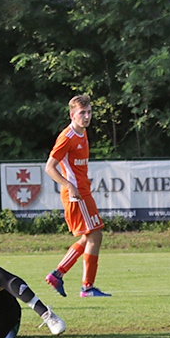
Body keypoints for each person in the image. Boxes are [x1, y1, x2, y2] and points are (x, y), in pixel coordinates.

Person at [44, 94, 111, 298]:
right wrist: (69, 186)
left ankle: (58, 274)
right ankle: (87, 287)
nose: (87, 116)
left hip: (84, 191)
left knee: (90, 235)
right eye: (82, 113)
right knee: (95, 235)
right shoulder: (67, 137)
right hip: (76, 194)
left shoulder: (82, 133)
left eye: (89, 112)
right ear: (72, 114)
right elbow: (50, 167)